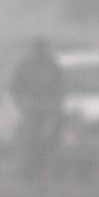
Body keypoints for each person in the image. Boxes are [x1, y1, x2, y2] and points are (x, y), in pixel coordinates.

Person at [9, 37, 66, 183]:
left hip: (48, 108)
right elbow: (15, 87)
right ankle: (26, 166)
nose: (40, 52)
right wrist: (20, 102)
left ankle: (49, 166)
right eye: (38, 49)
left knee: (51, 137)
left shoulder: (52, 66)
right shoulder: (25, 66)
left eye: (42, 49)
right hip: (30, 107)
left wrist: (56, 103)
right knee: (27, 137)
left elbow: (61, 87)